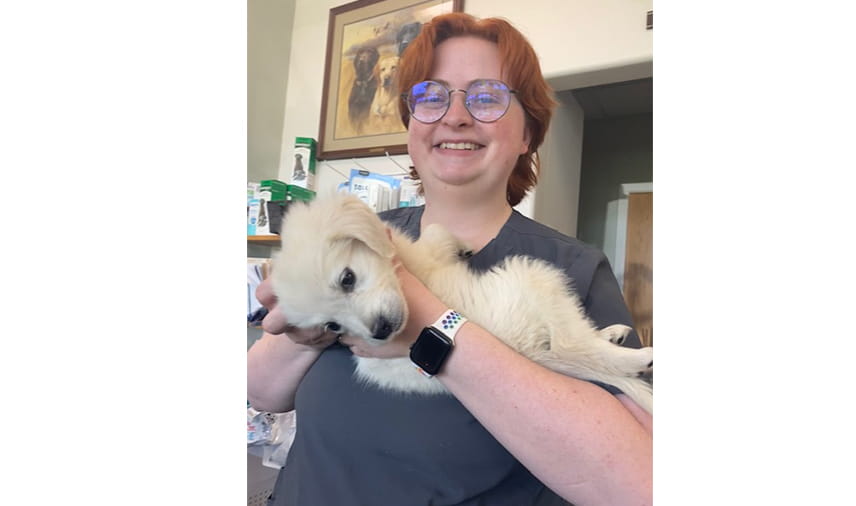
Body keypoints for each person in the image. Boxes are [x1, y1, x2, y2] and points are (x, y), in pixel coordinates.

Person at [248, 12, 652, 506]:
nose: (454, 116)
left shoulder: (573, 269)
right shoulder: (352, 236)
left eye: (486, 97)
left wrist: (434, 329)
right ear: (411, 125)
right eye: (430, 96)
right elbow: (262, 392)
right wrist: (310, 327)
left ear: (528, 134)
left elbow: (638, 483)